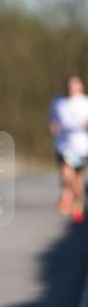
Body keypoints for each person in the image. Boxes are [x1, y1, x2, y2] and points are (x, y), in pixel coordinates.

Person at [48, 75, 88, 224]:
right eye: (69, 84)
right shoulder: (57, 102)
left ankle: (77, 205)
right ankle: (66, 194)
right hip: (63, 145)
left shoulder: (85, 102)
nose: (71, 87)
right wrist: (53, 127)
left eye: (75, 84)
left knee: (77, 178)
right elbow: (52, 120)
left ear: (80, 86)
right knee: (66, 174)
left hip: (81, 146)